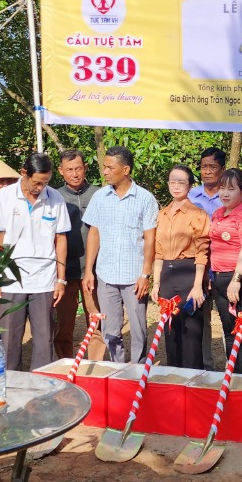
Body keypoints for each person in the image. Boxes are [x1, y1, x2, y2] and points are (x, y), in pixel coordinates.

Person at [0, 153, 70, 370]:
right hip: (11, 280)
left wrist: (61, 279)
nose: (41, 188)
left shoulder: (55, 198)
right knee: (9, 340)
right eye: (37, 182)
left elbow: (61, 239)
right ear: (24, 173)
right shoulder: (4, 197)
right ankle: (9, 383)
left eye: (46, 182)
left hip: (44, 279)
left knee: (44, 340)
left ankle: (41, 385)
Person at [82, 146, 158, 363]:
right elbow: (94, 234)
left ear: (126, 170)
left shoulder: (145, 198)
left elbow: (150, 239)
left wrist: (145, 275)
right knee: (110, 329)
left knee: (138, 329)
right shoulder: (100, 197)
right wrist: (89, 271)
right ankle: (118, 368)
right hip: (106, 275)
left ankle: (138, 369)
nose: (104, 171)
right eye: (104, 167)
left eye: (110, 167)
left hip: (134, 277)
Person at [155, 164, 210, 369]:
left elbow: (202, 251)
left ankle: (193, 377)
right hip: (166, 275)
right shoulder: (162, 214)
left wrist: (197, 286)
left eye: (181, 182)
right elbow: (158, 253)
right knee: (170, 329)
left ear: (190, 186)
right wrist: (156, 283)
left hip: (189, 273)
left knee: (191, 330)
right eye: (172, 182)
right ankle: (174, 375)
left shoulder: (197, 214)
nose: (176, 186)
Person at [209, 168, 242, 374]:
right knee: (229, 332)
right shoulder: (218, 213)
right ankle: (232, 375)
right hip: (219, 278)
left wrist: (236, 280)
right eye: (222, 188)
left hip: (241, 281)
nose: (225, 193)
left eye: (231, 189)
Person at [54, 149, 103, 360]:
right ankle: (64, 363)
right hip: (65, 271)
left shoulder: (99, 194)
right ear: (61, 171)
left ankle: (96, 365)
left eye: (78, 168)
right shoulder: (54, 197)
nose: (74, 174)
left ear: (85, 168)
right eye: (69, 170)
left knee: (96, 320)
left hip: (94, 270)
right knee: (63, 325)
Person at [188, 146, 227, 370]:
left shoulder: (229, 195)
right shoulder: (190, 196)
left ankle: (233, 368)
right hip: (198, 267)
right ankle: (205, 367)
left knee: (229, 319)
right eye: (204, 167)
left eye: (213, 167)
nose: (207, 171)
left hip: (224, 267)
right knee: (200, 319)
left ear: (222, 169)